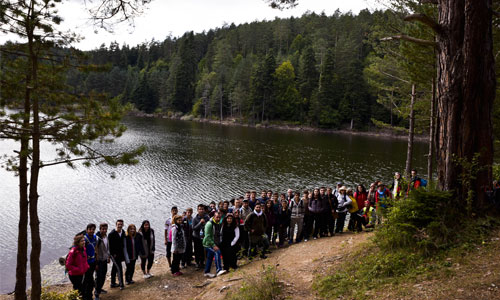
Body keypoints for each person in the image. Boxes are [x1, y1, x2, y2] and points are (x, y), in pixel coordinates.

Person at [203, 211, 226, 277]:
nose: (218, 219)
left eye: (219, 217)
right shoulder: (209, 224)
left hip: (215, 242)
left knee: (209, 258)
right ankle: (219, 270)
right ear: (213, 217)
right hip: (208, 243)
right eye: (217, 217)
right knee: (217, 252)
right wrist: (213, 245)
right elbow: (207, 236)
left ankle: (207, 272)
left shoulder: (219, 223)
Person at [108, 219, 128, 290]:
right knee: (119, 268)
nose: (120, 225)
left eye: (121, 224)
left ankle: (112, 283)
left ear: (123, 225)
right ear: (116, 225)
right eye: (118, 224)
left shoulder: (123, 233)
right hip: (114, 255)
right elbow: (109, 246)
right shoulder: (111, 234)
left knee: (114, 268)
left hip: (120, 254)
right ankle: (121, 284)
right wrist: (112, 255)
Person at [94, 223, 110, 300]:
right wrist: (96, 263)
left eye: (105, 229)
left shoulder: (106, 236)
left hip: (104, 259)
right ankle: (96, 293)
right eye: (103, 229)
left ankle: (100, 289)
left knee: (103, 276)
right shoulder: (97, 238)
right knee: (98, 277)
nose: (104, 230)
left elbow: (107, 247)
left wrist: (108, 257)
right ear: (100, 229)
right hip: (99, 260)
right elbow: (95, 250)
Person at [82, 224, 97, 300]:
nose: (92, 231)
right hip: (86, 263)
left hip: (93, 262)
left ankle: (89, 296)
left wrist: (96, 262)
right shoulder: (84, 239)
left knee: (90, 280)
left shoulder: (95, 238)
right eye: (90, 229)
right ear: (87, 230)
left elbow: (96, 249)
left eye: (93, 229)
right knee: (87, 281)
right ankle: (86, 297)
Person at [192, 204, 209, 270]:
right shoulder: (195, 218)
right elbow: (193, 228)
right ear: (197, 210)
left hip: (204, 237)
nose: (201, 210)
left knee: (202, 250)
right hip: (196, 237)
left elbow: (208, 226)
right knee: (197, 250)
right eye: (200, 209)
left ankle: (202, 262)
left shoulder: (207, 217)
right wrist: (200, 223)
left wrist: (204, 223)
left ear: (204, 210)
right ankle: (197, 262)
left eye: (202, 209)